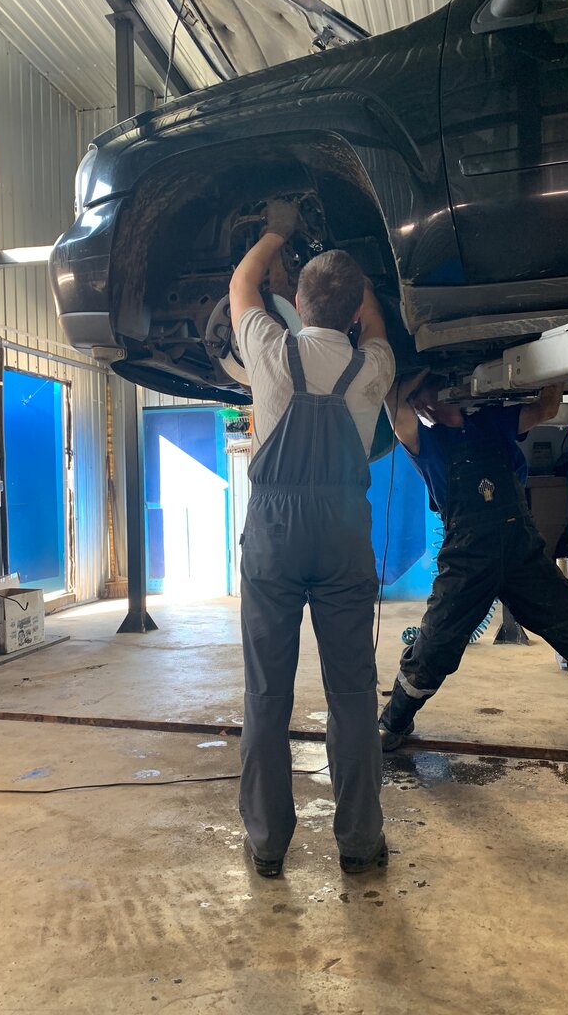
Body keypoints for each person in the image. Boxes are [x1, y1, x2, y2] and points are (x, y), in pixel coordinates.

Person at [229, 198, 395, 877]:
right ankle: (359, 841)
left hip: (275, 533)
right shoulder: (373, 365)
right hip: (343, 533)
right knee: (352, 693)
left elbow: (242, 286)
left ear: (296, 303)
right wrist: (364, 281)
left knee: (267, 694)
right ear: (354, 312)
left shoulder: (270, 350)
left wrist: (277, 232)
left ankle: (269, 844)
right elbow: (374, 326)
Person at [378, 372, 568, 750]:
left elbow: (547, 408)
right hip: (467, 558)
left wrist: (558, 366)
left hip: (521, 552)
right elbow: (394, 405)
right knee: (435, 647)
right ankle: (394, 722)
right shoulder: (426, 442)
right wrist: (425, 371)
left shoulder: (493, 422)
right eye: (430, 391)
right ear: (423, 401)